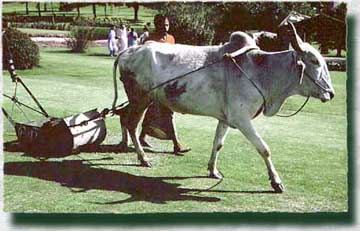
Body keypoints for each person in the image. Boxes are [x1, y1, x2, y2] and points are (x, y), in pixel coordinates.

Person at [140, 14, 190, 154]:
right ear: (156, 25)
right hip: (154, 81)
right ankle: (176, 144)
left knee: (152, 109)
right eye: (162, 24)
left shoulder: (171, 39)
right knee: (168, 111)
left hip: (168, 81)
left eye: (167, 25)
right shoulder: (149, 40)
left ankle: (142, 136)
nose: (165, 27)